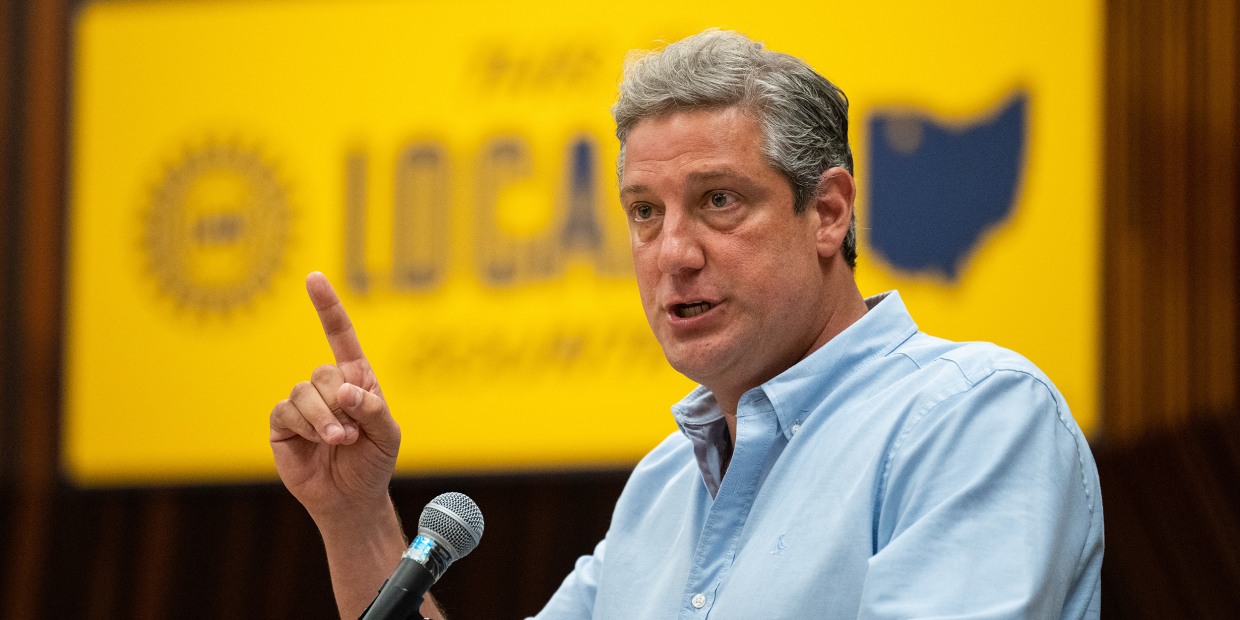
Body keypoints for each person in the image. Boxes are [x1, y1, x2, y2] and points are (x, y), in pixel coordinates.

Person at [270, 29, 1104, 619]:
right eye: (643, 212)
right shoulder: (660, 493)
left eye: (717, 201)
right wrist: (357, 518)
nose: (673, 252)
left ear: (828, 212)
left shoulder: (976, 418)